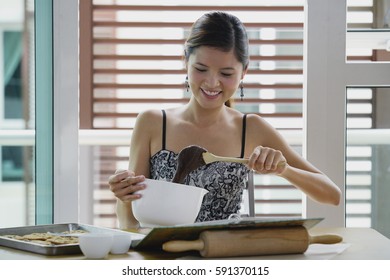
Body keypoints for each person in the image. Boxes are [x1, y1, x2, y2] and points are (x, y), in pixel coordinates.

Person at [108, 11, 341, 230]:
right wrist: (123, 195)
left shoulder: (251, 128)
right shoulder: (152, 123)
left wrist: (283, 170)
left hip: (226, 255)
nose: (212, 83)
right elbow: (129, 217)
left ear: (244, 72)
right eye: (201, 69)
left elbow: (332, 195)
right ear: (185, 61)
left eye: (226, 74)